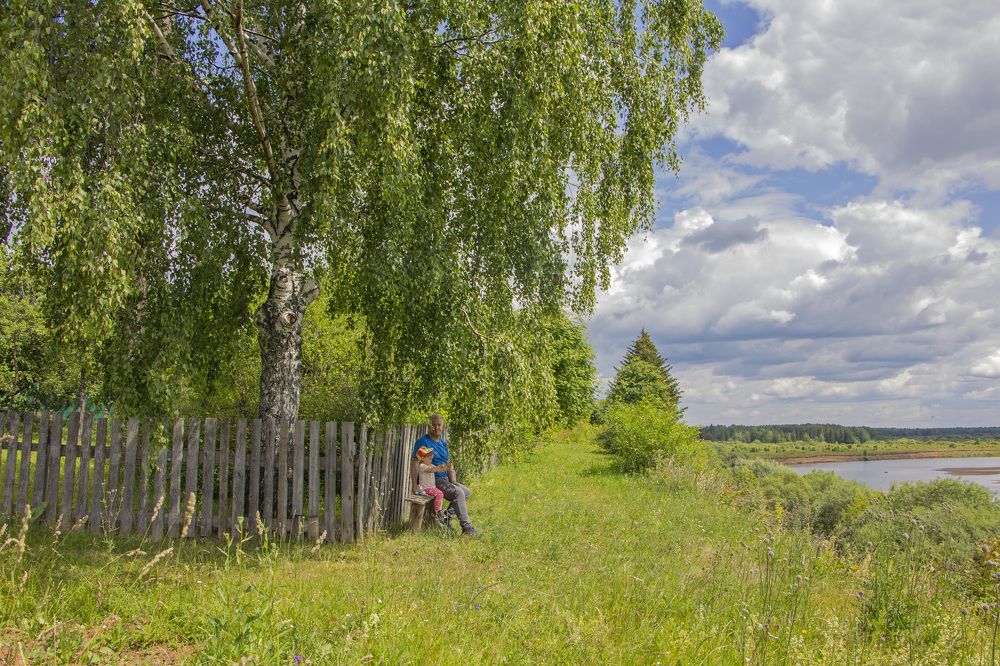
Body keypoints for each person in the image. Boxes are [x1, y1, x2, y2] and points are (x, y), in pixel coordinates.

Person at [410, 414, 479, 537]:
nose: (436, 427)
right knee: (458, 493)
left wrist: (454, 481)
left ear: (442, 427)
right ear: (429, 426)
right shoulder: (424, 442)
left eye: (439, 425)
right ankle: (467, 528)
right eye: (434, 425)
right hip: (432, 480)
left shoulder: (443, 444)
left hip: (444, 479)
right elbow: (415, 462)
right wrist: (414, 484)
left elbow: (449, 464)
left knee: (465, 491)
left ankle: (445, 518)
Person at [414, 445, 451, 530]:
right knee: (439, 493)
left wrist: (445, 467)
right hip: (426, 488)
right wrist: (437, 468)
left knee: (440, 493)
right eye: (429, 458)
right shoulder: (422, 466)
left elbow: (438, 470)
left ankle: (438, 511)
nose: (431, 460)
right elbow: (431, 470)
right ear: (423, 458)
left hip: (431, 487)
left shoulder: (430, 465)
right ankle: (438, 512)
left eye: (431, 458)